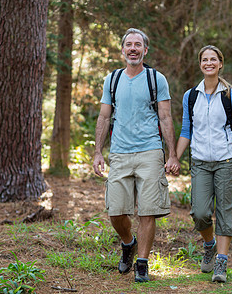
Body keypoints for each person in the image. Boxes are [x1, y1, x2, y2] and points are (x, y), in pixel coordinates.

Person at [92, 28, 180, 283]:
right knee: (115, 211)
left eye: (137, 45)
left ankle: (142, 263)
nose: (133, 48)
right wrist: (98, 152)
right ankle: (128, 243)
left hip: (150, 151)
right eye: (128, 44)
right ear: (122, 50)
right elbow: (104, 116)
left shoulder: (156, 79)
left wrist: (172, 154)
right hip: (119, 152)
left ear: (145, 50)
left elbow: (165, 116)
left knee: (148, 211)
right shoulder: (113, 79)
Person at [171, 45, 232, 283]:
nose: (209, 63)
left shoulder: (230, 94)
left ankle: (221, 264)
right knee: (200, 213)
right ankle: (209, 244)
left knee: (225, 214)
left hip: (227, 161)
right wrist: (174, 157)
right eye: (204, 59)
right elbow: (186, 130)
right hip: (200, 162)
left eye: (213, 59)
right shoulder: (190, 95)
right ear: (200, 64)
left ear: (220, 64)